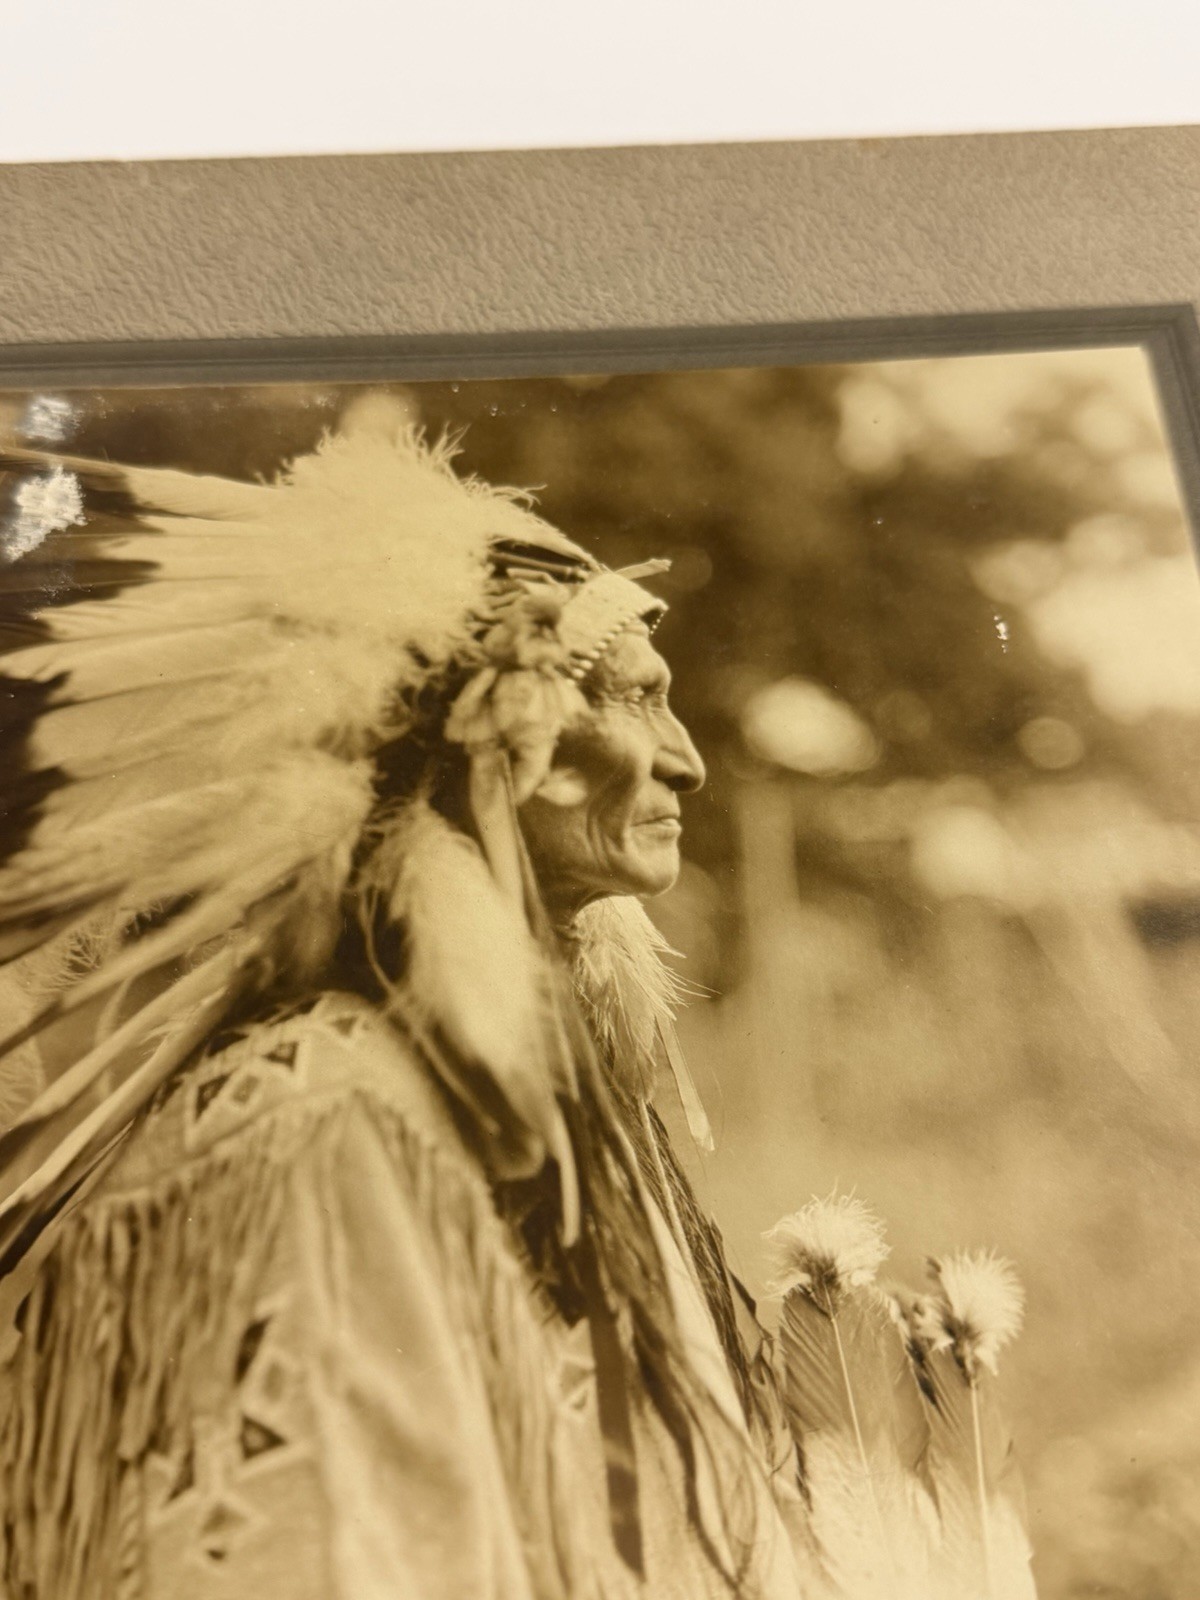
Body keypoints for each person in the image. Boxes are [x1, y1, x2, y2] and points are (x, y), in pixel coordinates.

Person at [0, 416, 1035, 1599]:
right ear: (494, 742)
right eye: (636, 700)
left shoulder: (548, 1102)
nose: (688, 759)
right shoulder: (320, 1112)